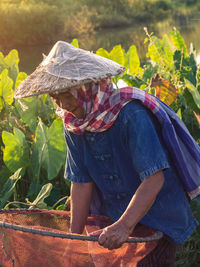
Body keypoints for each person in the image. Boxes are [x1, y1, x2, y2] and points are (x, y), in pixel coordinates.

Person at [14, 41, 200, 266]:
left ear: (86, 88)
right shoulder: (75, 123)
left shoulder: (130, 114)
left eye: (67, 95)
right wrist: (73, 242)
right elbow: (81, 183)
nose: (63, 104)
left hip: (157, 215)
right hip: (114, 215)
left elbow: (154, 178)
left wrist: (124, 226)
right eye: (55, 97)